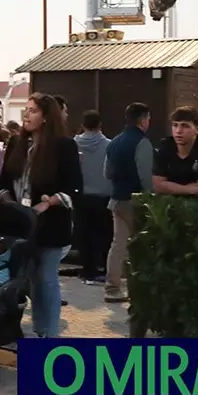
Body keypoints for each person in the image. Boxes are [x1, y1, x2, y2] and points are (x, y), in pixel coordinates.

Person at [0, 93, 81, 337]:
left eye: (33, 111)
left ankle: (49, 334)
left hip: (50, 226)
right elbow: (3, 180)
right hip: (19, 224)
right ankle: (37, 329)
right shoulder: (17, 143)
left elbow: (75, 187)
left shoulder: (64, 146)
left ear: (46, 117)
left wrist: (50, 202)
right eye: (26, 109)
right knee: (29, 280)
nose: (26, 115)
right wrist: (7, 200)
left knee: (45, 278)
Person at [102, 102, 153, 303]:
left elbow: (106, 172)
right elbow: (146, 177)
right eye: (148, 118)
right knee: (141, 245)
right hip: (137, 200)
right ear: (143, 119)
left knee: (118, 244)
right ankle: (139, 287)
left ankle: (112, 287)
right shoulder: (142, 143)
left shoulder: (114, 142)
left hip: (116, 198)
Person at [74, 110, 112, 284]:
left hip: (81, 195)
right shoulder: (109, 145)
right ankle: (103, 267)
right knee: (104, 234)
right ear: (100, 125)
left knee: (84, 233)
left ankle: (87, 269)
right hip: (104, 195)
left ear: (82, 125)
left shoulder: (74, 144)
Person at [152, 107, 198, 197]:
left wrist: (169, 187)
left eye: (185, 126)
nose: (178, 131)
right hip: (167, 203)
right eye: (175, 125)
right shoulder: (164, 146)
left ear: (197, 130)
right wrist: (191, 189)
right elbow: (158, 185)